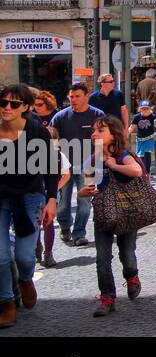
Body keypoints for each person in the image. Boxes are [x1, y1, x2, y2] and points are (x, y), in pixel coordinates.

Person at [0, 84, 59, 328]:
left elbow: (50, 166)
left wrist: (52, 199)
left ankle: (25, 279)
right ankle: (6, 303)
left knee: (25, 257)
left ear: (25, 107)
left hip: (30, 195)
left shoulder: (36, 130)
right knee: (1, 256)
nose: (6, 108)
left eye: (13, 104)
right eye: (3, 103)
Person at [82, 116, 145, 318]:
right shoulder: (92, 159)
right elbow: (85, 187)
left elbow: (136, 171)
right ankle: (107, 297)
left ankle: (131, 275)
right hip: (103, 213)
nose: (94, 134)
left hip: (127, 212)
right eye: (93, 131)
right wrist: (86, 191)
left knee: (127, 254)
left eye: (100, 131)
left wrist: (114, 165)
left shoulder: (122, 155)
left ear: (113, 134)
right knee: (102, 258)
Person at [50, 83, 105, 247]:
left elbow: (103, 139)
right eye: (71, 97)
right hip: (65, 166)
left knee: (84, 202)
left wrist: (100, 160)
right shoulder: (60, 117)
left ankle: (79, 233)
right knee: (63, 201)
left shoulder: (97, 115)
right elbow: (52, 139)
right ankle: (65, 227)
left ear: (86, 96)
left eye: (77, 96)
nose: (73, 99)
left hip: (89, 166)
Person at [30, 90, 66, 268]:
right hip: (36, 191)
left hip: (50, 192)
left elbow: (65, 173)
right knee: (36, 223)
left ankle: (48, 253)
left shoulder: (57, 154)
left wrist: (54, 191)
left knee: (48, 223)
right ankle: (37, 248)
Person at [130, 103, 156, 178]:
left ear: (150, 109)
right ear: (140, 109)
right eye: (143, 109)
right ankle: (143, 172)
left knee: (147, 155)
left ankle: (147, 173)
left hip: (149, 138)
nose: (144, 110)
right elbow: (132, 127)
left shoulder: (153, 117)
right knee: (140, 156)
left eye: (146, 108)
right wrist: (124, 134)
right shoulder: (137, 117)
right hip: (140, 140)